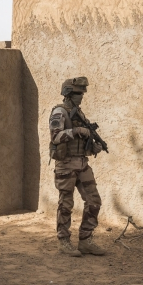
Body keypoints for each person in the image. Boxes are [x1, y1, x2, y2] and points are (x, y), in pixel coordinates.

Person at [49, 77, 105, 257]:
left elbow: (82, 143)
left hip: (82, 163)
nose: (81, 96)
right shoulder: (59, 112)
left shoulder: (78, 113)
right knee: (66, 204)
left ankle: (85, 240)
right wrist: (76, 131)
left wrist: (93, 147)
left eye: (82, 93)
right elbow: (55, 137)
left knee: (94, 201)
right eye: (78, 93)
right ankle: (63, 241)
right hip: (65, 165)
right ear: (68, 94)